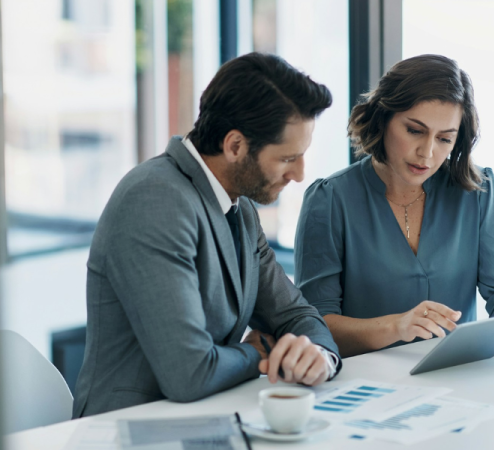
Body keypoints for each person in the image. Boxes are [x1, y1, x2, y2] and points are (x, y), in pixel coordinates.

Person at [73, 53, 342, 417]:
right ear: (235, 146)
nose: (299, 174)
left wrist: (318, 356)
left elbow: (295, 313)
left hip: (208, 419)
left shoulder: (239, 207)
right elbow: (190, 372)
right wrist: (260, 353)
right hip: (131, 429)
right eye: (287, 158)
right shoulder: (154, 199)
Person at [293, 54, 494, 358]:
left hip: (456, 374)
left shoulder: (479, 191)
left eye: (444, 139)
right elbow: (314, 326)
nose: (426, 153)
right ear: (383, 118)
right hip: (364, 382)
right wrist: (395, 326)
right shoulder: (330, 200)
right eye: (415, 130)